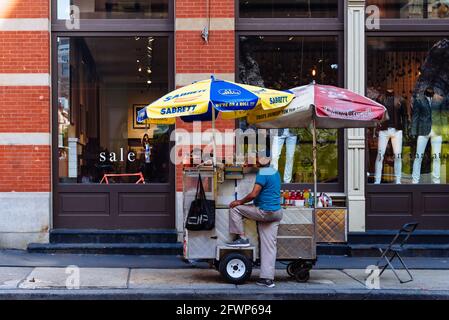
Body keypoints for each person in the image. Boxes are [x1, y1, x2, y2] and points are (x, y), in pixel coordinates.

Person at [227, 162, 283, 288]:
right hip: (276, 213)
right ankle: (267, 279)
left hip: (265, 212)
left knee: (235, 209)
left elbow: (254, 194)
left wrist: (239, 201)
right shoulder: (275, 172)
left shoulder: (262, 173)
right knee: (269, 246)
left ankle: (242, 238)